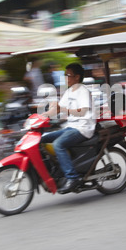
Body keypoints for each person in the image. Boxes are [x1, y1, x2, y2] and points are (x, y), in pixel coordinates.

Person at [41, 63, 96, 194]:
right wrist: (43, 115)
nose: (66, 77)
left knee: (58, 144)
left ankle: (72, 178)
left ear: (77, 77)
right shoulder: (69, 91)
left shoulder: (83, 91)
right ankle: (57, 170)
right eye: (65, 75)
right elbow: (58, 108)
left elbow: (82, 112)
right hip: (71, 127)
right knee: (42, 139)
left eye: (68, 75)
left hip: (83, 128)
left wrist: (63, 109)